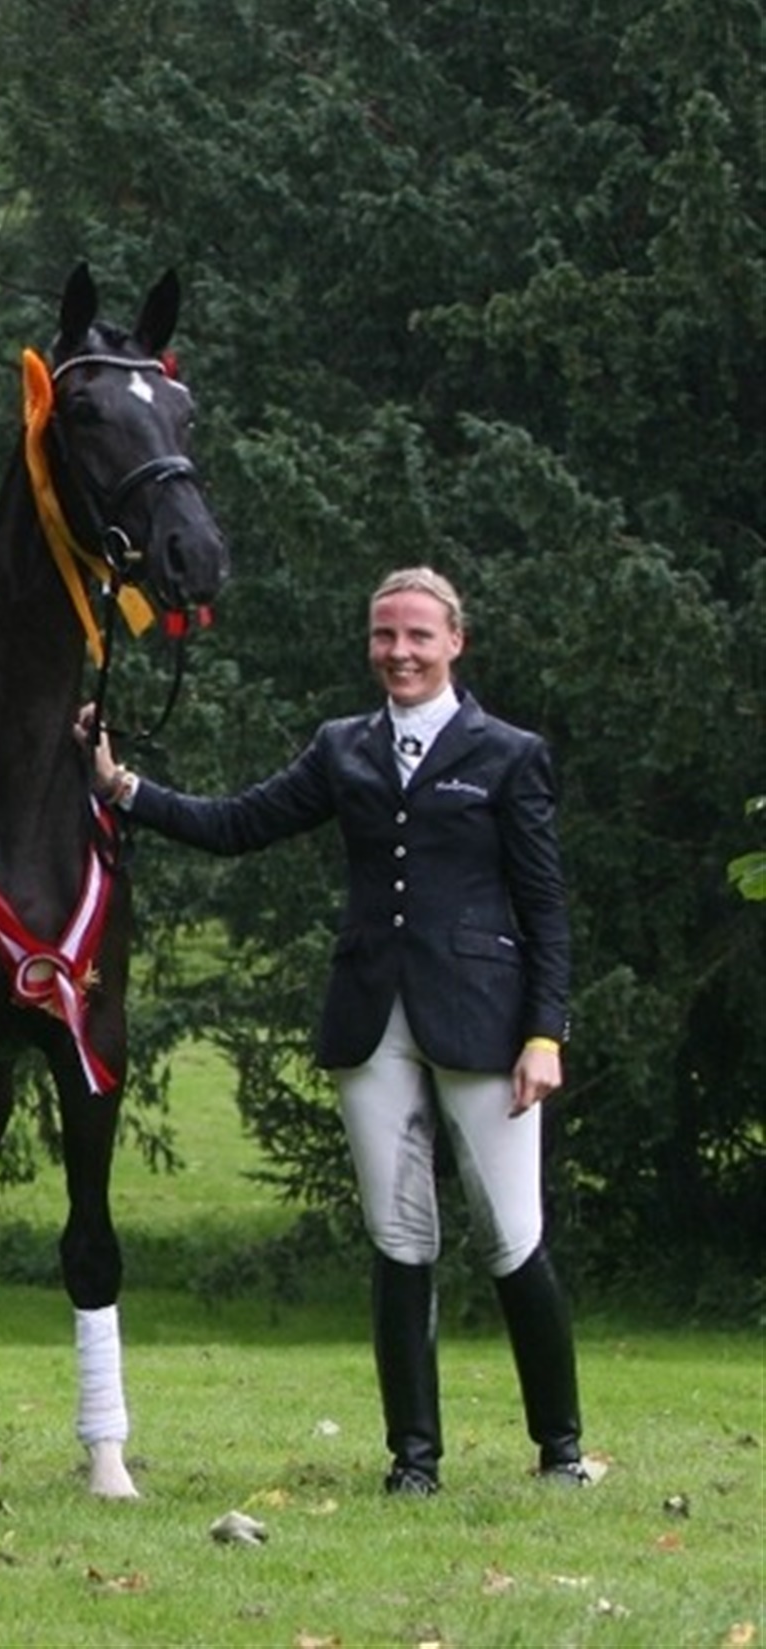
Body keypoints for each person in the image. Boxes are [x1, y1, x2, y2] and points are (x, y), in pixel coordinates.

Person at [75, 565, 587, 1495]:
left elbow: (546, 905)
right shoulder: (342, 746)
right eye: (385, 635)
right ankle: (413, 1461)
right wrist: (122, 786)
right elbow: (239, 824)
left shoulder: (510, 754)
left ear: (455, 642)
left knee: (512, 1234)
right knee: (399, 1233)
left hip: (485, 1017)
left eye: (418, 636)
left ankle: (560, 1450)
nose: (400, 652)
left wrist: (544, 1031)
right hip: (370, 1016)